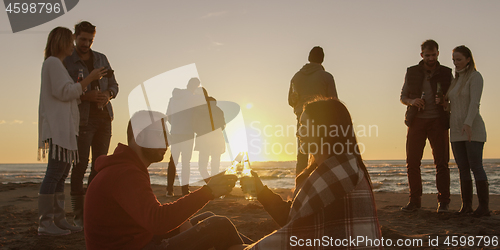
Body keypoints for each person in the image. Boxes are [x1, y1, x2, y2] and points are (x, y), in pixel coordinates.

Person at [84, 110, 247, 250]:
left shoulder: (125, 167)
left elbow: (152, 218)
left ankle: (258, 245)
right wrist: (208, 192)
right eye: (160, 135)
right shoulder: (125, 173)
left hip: (139, 241)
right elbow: (158, 221)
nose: (168, 142)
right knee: (218, 226)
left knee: (206, 218)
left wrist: (182, 224)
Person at [241, 98, 382, 249]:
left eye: (303, 126)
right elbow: (298, 219)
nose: (297, 133)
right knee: (222, 228)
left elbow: (293, 230)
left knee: (220, 228)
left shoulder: (333, 176)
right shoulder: (343, 168)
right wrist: (261, 191)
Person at [38, 26, 105, 236]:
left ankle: (58, 219)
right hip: (59, 128)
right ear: (62, 42)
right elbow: (65, 92)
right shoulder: (52, 63)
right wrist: (89, 80)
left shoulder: (56, 64)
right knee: (55, 174)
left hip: (65, 129)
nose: (72, 46)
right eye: (70, 41)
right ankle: (45, 222)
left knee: (61, 174)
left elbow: (68, 93)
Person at [64, 21, 119, 227]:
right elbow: (66, 91)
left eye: (90, 40)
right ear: (75, 37)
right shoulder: (68, 61)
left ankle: (93, 211)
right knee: (79, 166)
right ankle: (79, 216)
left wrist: (107, 94)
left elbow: (114, 84)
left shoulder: (101, 58)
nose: (86, 43)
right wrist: (86, 96)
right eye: (83, 39)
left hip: (105, 118)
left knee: (100, 166)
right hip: (82, 120)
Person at [400, 39, 453, 213]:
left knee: (442, 163)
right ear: (421, 55)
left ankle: (443, 202)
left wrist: (445, 101)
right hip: (416, 121)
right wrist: (412, 101)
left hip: (438, 121)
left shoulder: (446, 73)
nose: (431, 58)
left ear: (438, 53)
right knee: (412, 162)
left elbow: (454, 98)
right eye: (427, 55)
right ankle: (414, 201)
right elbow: (402, 97)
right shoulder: (412, 72)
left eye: (434, 54)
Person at [442, 45, 489, 217]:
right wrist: (446, 106)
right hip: (455, 131)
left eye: (459, 59)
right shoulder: (455, 80)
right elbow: (454, 105)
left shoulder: (475, 77)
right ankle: (466, 206)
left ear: (468, 59)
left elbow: (474, 104)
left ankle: (484, 207)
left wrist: (468, 123)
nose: (456, 63)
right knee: (462, 167)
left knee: (476, 166)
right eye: (454, 60)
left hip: (472, 129)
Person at [288, 46, 338, 175]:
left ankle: (300, 188)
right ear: (322, 59)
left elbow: (290, 101)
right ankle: (321, 184)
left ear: (308, 57)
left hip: (302, 120)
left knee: (302, 155)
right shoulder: (326, 77)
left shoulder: (296, 77)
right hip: (322, 120)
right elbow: (334, 102)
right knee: (322, 153)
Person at [165, 78, 205, 196]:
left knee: (173, 161)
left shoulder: (173, 99)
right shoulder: (193, 98)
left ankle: (169, 190)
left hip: (175, 132)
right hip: (187, 133)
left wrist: (176, 125)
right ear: (195, 86)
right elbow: (206, 101)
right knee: (185, 162)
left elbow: (168, 115)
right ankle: (184, 190)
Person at [193, 96, 226, 182]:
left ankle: (210, 183)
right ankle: (214, 182)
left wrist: (200, 132)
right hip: (217, 139)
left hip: (205, 139)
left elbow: (195, 125)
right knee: (215, 163)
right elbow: (223, 125)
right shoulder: (219, 111)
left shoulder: (201, 111)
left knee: (202, 165)